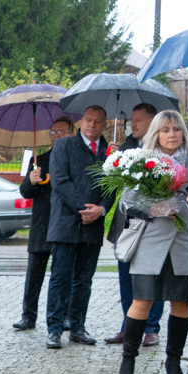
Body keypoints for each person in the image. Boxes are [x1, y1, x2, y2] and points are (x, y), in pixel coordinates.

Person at [117, 110, 188, 374]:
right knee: (142, 301)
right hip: (151, 239)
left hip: (183, 239)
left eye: (177, 129)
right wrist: (151, 207)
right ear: (156, 132)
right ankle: (128, 359)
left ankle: (173, 363)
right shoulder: (141, 161)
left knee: (180, 302)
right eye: (166, 129)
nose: (172, 135)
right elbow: (125, 203)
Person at [44, 105, 114, 349]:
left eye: (97, 122)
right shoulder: (63, 146)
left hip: (92, 227)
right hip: (65, 223)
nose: (91, 125)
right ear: (81, 122)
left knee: (84, 280)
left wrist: (101, 210)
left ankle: (77, 326)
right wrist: (84, 208)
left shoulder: (109, 153)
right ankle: (54, 329)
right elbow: (60, 182)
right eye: (88, 120)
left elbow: (111, 187)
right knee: (60, 278)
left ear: (104, 125)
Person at [104, 103, 165, 347]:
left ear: (153, 121)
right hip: (126, 223)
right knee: (125, 276)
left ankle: (151, 327)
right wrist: (114, 160)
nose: (134, 124)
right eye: (132, 120)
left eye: (139, 119)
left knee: (151, 276)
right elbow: (114, 184)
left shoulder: (160, 149)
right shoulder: (127, 146)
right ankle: (128, 327)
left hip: (151, 224)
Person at [12, 116, 73, 331]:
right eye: (54, 133)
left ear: (71, 133)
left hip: (65, 224)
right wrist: (31, 180)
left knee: (64, 273)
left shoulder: (74, 159)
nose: (57, 136)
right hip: (41, 224)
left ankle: (64, 315)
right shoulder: (39, 160)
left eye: (62, 132)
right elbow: (25, 191)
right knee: (34, 273)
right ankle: (28, 315)